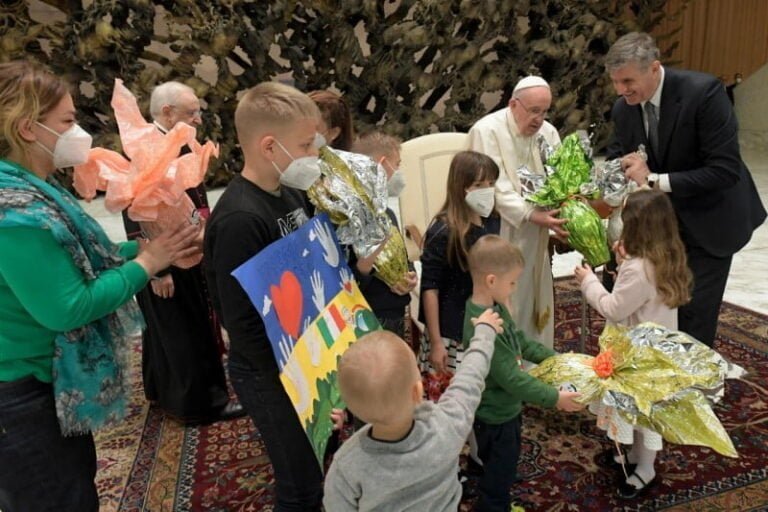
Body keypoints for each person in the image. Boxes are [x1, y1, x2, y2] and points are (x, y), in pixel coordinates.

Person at [0, 60, 200, 512]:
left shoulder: (35, 186)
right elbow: (68, 306)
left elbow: (78, 261)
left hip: (41, 381)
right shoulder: (12, 210)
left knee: (74, 481)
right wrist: (149, 263)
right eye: (67, 122)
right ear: (28, 128)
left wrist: (145, 249)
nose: (79, 134)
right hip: (19, 391)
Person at [203, 81, 325, 511]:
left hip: (302, 353)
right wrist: (293, 378)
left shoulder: (290, 192)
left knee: (318, 458)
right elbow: (242, 322)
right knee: (300, 480)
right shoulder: (240, 219)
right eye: (307, 144)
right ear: (270, 146)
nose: (314, 154)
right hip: (268, 371)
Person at [604, 31, 766, 347]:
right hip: (661, 226)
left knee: (694, 314)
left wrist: (653, 180)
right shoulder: (624, 108)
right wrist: (619, 170)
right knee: (652, 308)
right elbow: (616, 154)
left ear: (654, 68)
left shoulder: (704, 93)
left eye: (627, 82)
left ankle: (694, 391)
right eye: (615, 82)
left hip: (711, 220)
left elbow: (724, 169)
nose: (620, 91)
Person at [122, 80, 243, 424]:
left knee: (171, 328)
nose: (199, 120)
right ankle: (202, 406)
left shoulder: (177, 141)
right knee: (185, 334)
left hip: (186, 248)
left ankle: (161, 389)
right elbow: (133, 210)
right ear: (167, 112)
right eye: (192, 113)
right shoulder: (145, 147)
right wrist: (157, 269)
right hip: (165, 258)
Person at [574, 189, 692, 499]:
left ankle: (646, 470)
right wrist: (623, 261)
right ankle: (638, 458)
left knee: (640, 414)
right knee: (642, 411)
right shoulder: (667, 253)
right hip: (655, 352)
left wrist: (589, 281)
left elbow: (614, 307)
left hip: (636, 356)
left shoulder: (639, 269)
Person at [323, 309, 503, 511]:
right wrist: (485, 332)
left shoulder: (347, 463)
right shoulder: (446, 425)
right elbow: (470, 378)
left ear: (351, 409)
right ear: (418, 391)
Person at [462, 234, 583, 512]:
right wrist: (555, 398)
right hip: (496, 418)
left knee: (501, 468)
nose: (515, 288)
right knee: (498, 478)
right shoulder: (481, 325)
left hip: (505, 413)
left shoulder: (495, 309)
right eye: (512, 282)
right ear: (492, 281)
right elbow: (512, 379)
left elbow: (522, 342)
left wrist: (557, 359)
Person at [468, 76, 568, 350]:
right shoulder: (486, 131)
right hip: (500, 230)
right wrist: (531, 214)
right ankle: (507, 359)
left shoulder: (548, 132)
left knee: (536, 296)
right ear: (513, 104)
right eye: (534, 111)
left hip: (537, 233)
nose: (540, 119)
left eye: (545, 111)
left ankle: (537, 358)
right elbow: (492, 189)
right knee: (509, 296)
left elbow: (560, 177)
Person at [419, 150, 501, 375]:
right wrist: (436, 342)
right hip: (451, 330)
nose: (486, 191)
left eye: (491, 183)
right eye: (478, 184)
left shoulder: (492, 219)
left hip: (483, 321)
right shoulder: (444, 231)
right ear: (460, 187)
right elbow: (430, 289)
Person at [349, 131, 417, 338]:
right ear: (382, 164)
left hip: (396, 311)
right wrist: (366, 264)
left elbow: (402, 255)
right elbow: (347, 277)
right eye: (397, 165)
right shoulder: (351, 217)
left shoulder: (386, 212)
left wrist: (409, 275)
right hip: (368, 315)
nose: (399, 171)